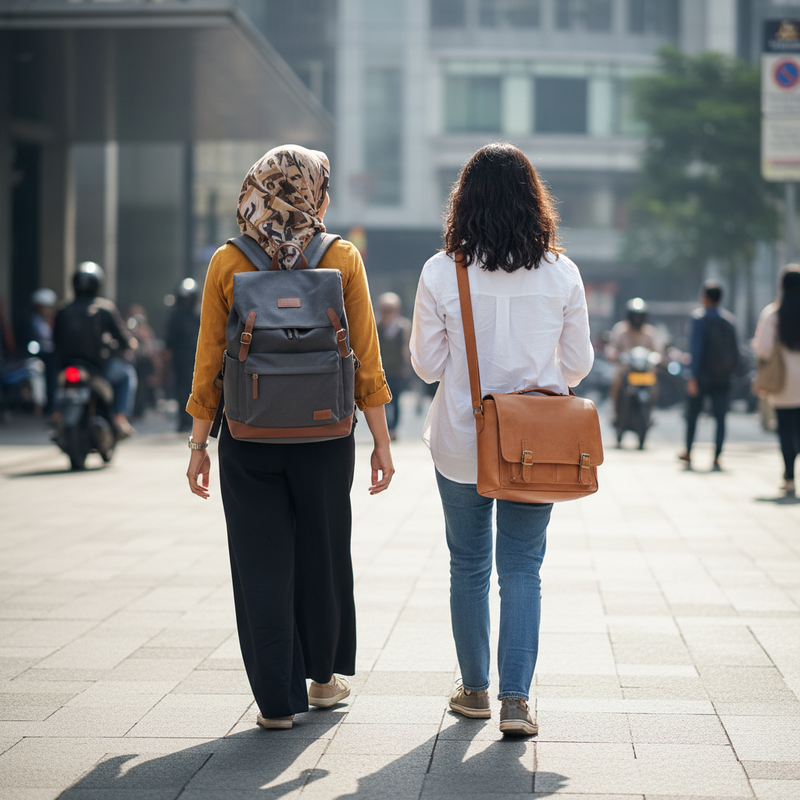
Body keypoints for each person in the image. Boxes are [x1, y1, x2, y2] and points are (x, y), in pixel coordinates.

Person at [184, 145, 394, 730]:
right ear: (314, 192)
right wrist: (380, 441)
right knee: (322, 553)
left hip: (248, 434)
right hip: (326, 435)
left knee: (260, 563)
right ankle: (322, 680)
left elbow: (208, 362)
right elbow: (366, 358)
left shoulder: (228, 261)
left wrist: (199, 444)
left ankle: (276, 704)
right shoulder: (342, 257)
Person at [410, 143, 593, 736]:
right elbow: (578, 364)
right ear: (534, 201)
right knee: (522, 568)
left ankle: (474, 691)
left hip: (463, 438)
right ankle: (516, 701)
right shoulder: (562, 272)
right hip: (535, 444)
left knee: (468, 565)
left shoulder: (442, 271)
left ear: (463, 201)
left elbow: (426, 365)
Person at [53, 262, 138, 436]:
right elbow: (121, 338)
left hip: (67, 366)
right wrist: (129, 345)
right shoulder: (105, 309)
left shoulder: (63, 309)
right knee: (126, 375)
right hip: (98, 368)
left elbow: (55, 340)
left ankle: (57, 413)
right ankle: (120, 418)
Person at [678, 280, 738, 471]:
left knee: (693, 415)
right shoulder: (729, 321)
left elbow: (695, 349)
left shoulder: (698, 319)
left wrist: (692, 376)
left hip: (702, 377)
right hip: (722, 378)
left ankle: (688, 451)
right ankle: (717, 456)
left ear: (704, 297)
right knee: (720, 418)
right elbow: (735, 352)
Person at [752, 265, 800, 495]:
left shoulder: (773, 314)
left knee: (785, 429)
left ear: (781, 285)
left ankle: (789, 477)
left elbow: (763, 348)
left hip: (782, 381)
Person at [605, 298, 663, 406]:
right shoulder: (620, 330)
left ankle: (651, 408)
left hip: (645, 370)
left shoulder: (650, 332)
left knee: (654, 384)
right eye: (634, 316)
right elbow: (612, 347)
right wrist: (613, 354)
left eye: (640, 316)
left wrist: (658, 358)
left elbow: (657, 350)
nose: (637, 319)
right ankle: (614, 408)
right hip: (625, 369)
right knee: (616, 382)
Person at [165, 279, 201, 432]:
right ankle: (184, 420)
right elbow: (169, 340)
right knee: (182, 390)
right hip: (181, 361)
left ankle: (193, 420)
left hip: (196, 360)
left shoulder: (199, 315)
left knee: (195, 389)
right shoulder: (176, 316)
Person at [376, 292, 411, 440]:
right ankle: (384, 429)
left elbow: (407, 349)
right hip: (381, 370)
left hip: (397, 370)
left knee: (395, 401)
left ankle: (393, 429)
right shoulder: (376, 326)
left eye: (390, 310)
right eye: (385, 310)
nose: (388, 313)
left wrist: (407, 368)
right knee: (382, 402)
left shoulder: (403, 327)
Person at [28, 288, 58, 413]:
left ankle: (52, 405)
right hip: (38, 356)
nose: (47, 310)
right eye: (44, 307)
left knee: (53, 378)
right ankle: (39, 404)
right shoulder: (33, 321)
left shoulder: (52, 321)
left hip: (51, 356)